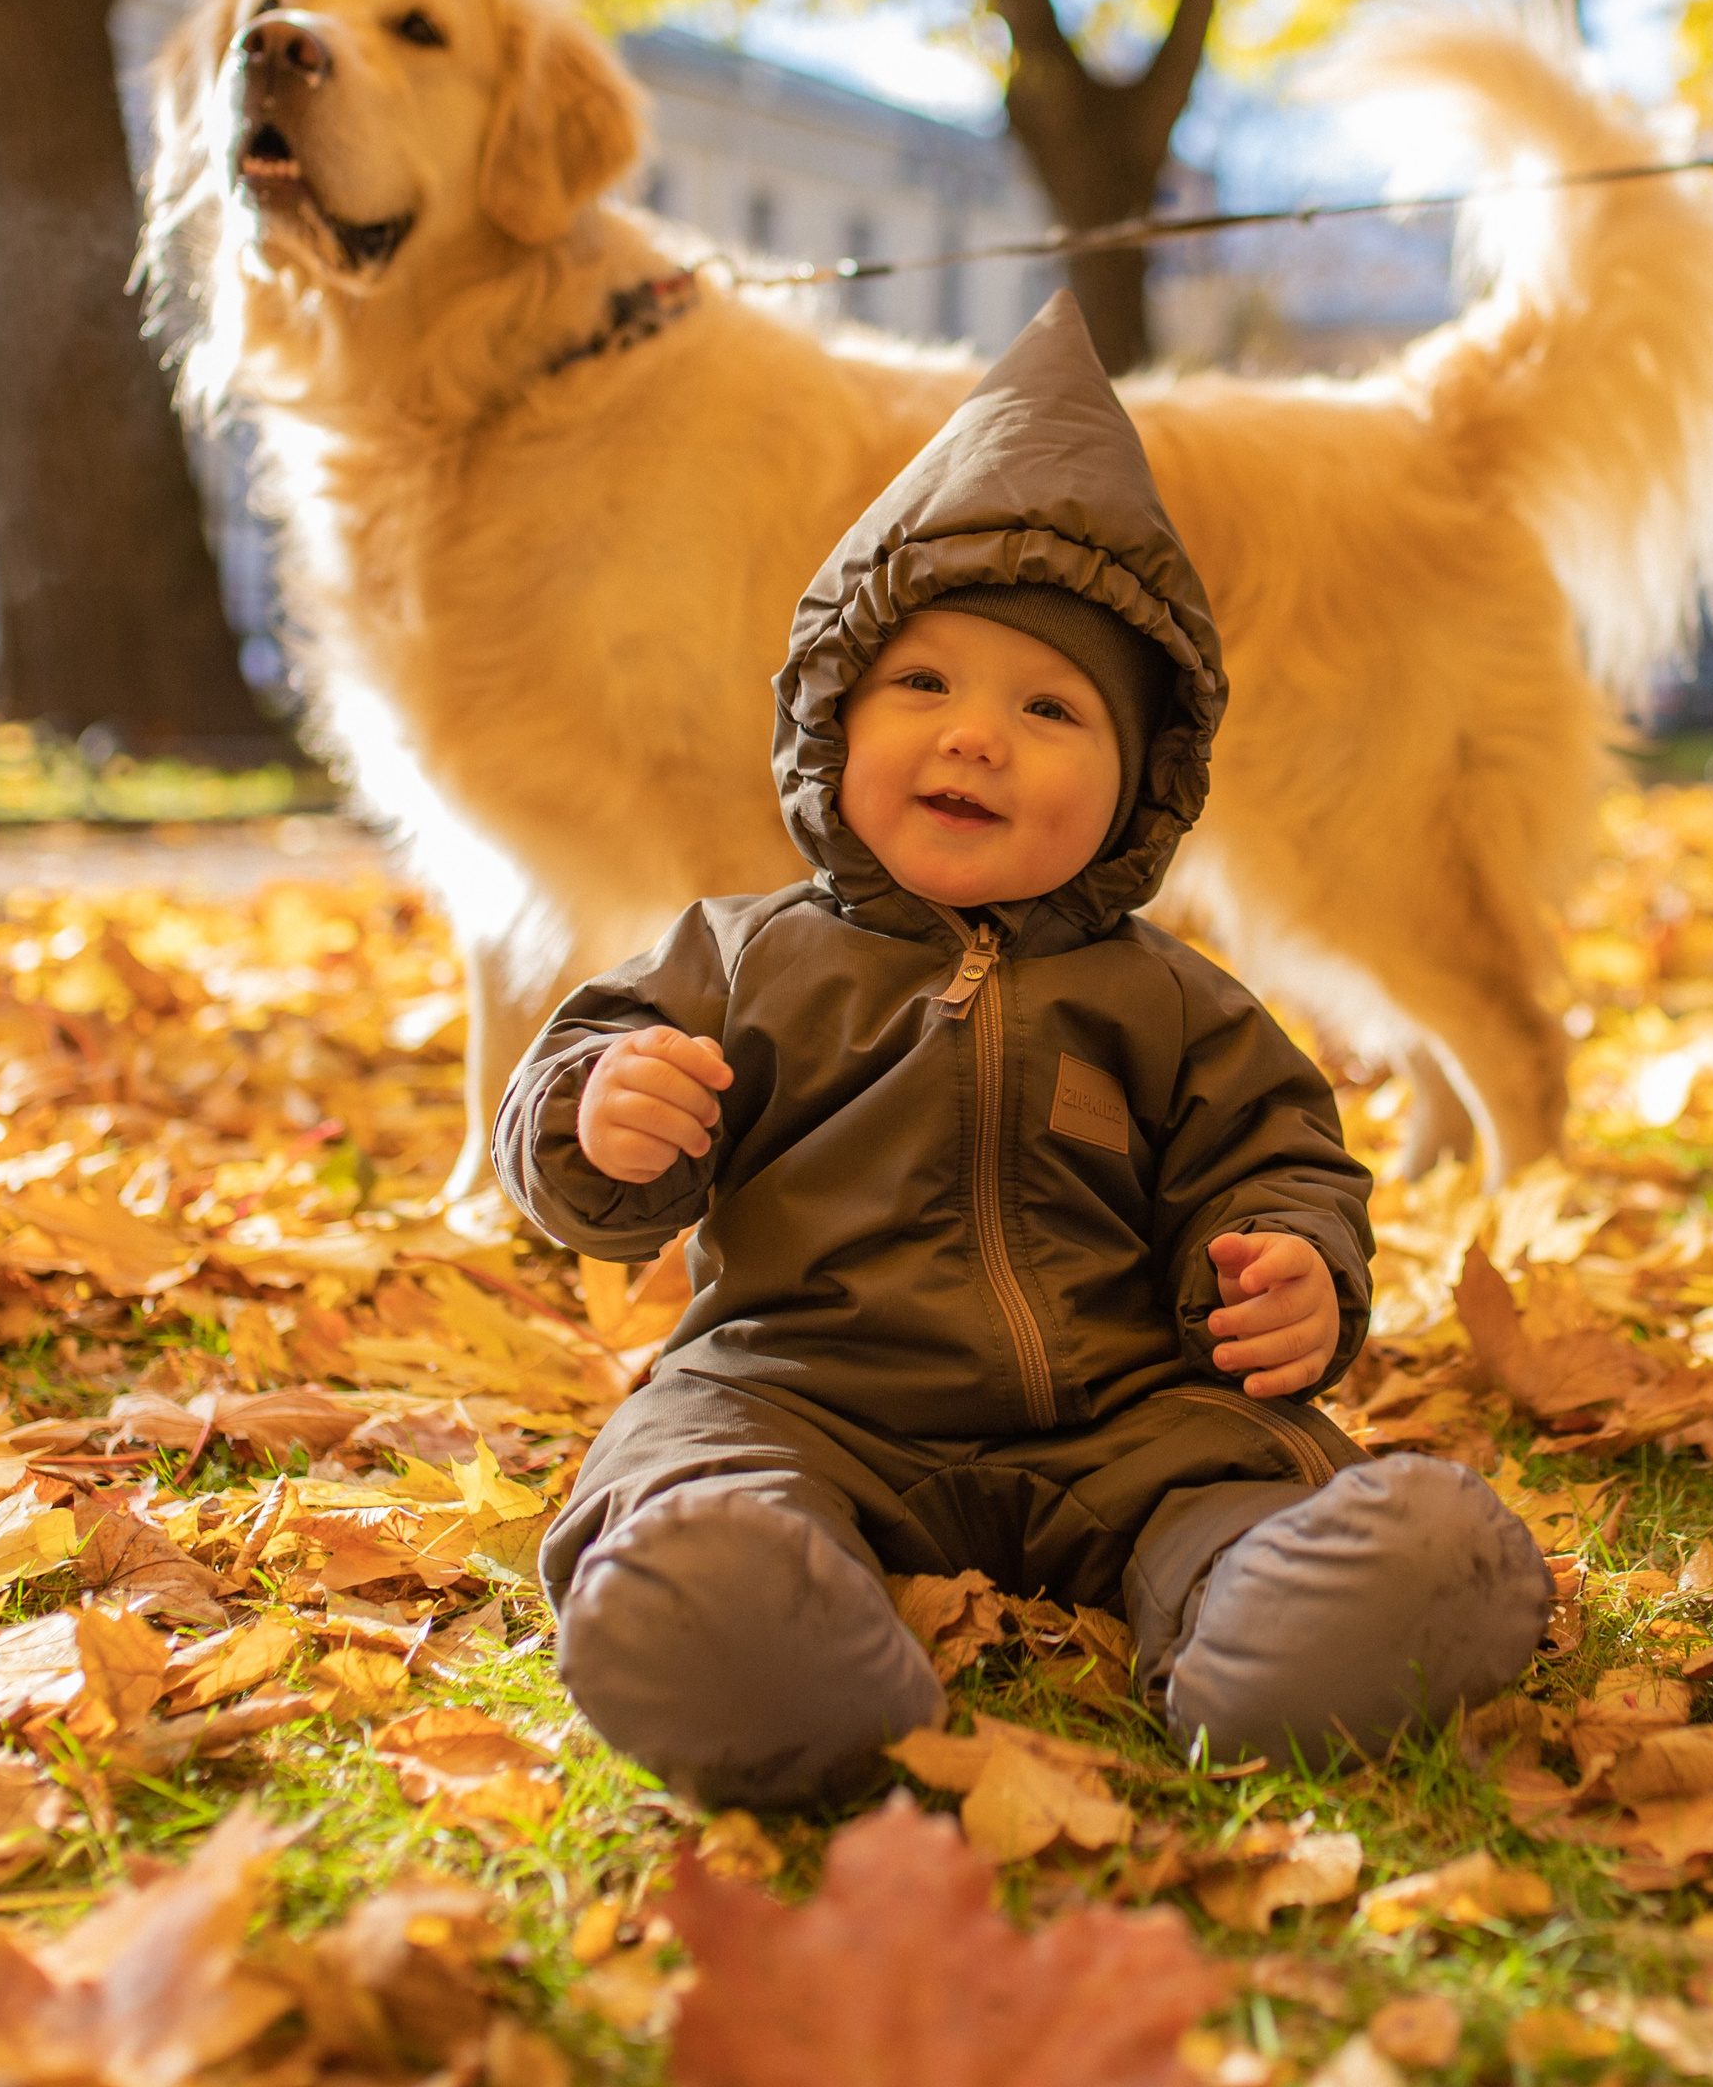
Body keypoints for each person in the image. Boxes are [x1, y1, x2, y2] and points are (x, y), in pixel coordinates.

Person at [494, 291, 1552, 1809]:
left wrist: (1292, 1269)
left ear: (1140, 791)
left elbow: (1280, 1159)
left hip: (1126, 1413)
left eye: (1048, 707)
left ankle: (1296, 1626)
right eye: (920, 685)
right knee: (690, 1463)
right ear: (830, 721)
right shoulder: (742, 951)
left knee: (1264, 1483)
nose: (973, 735)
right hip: (807, 1389)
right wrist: (600, 1115)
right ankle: (757, 1640)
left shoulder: (1178, 999)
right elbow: (589, 1086)